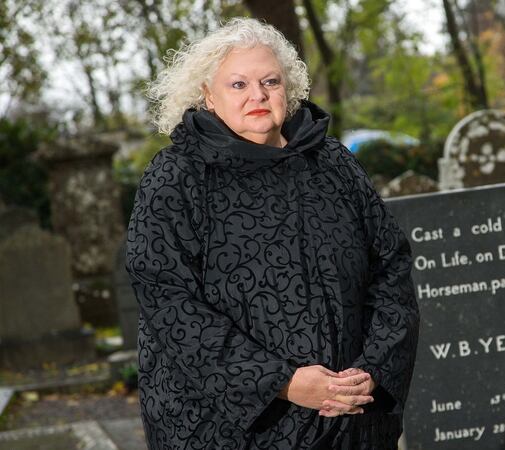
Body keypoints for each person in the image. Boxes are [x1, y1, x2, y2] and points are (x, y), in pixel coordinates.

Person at [126, 17, 419, 449]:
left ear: (289, 87)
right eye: (238, 85)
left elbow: (390, 266)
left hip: (349, 415)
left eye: (270, 81)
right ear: (207, 95)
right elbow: (169, 301)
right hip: (230, 429)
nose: (258, 95)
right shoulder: (176, 176)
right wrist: (282, 383)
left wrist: (371, 370)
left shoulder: (333, 162)